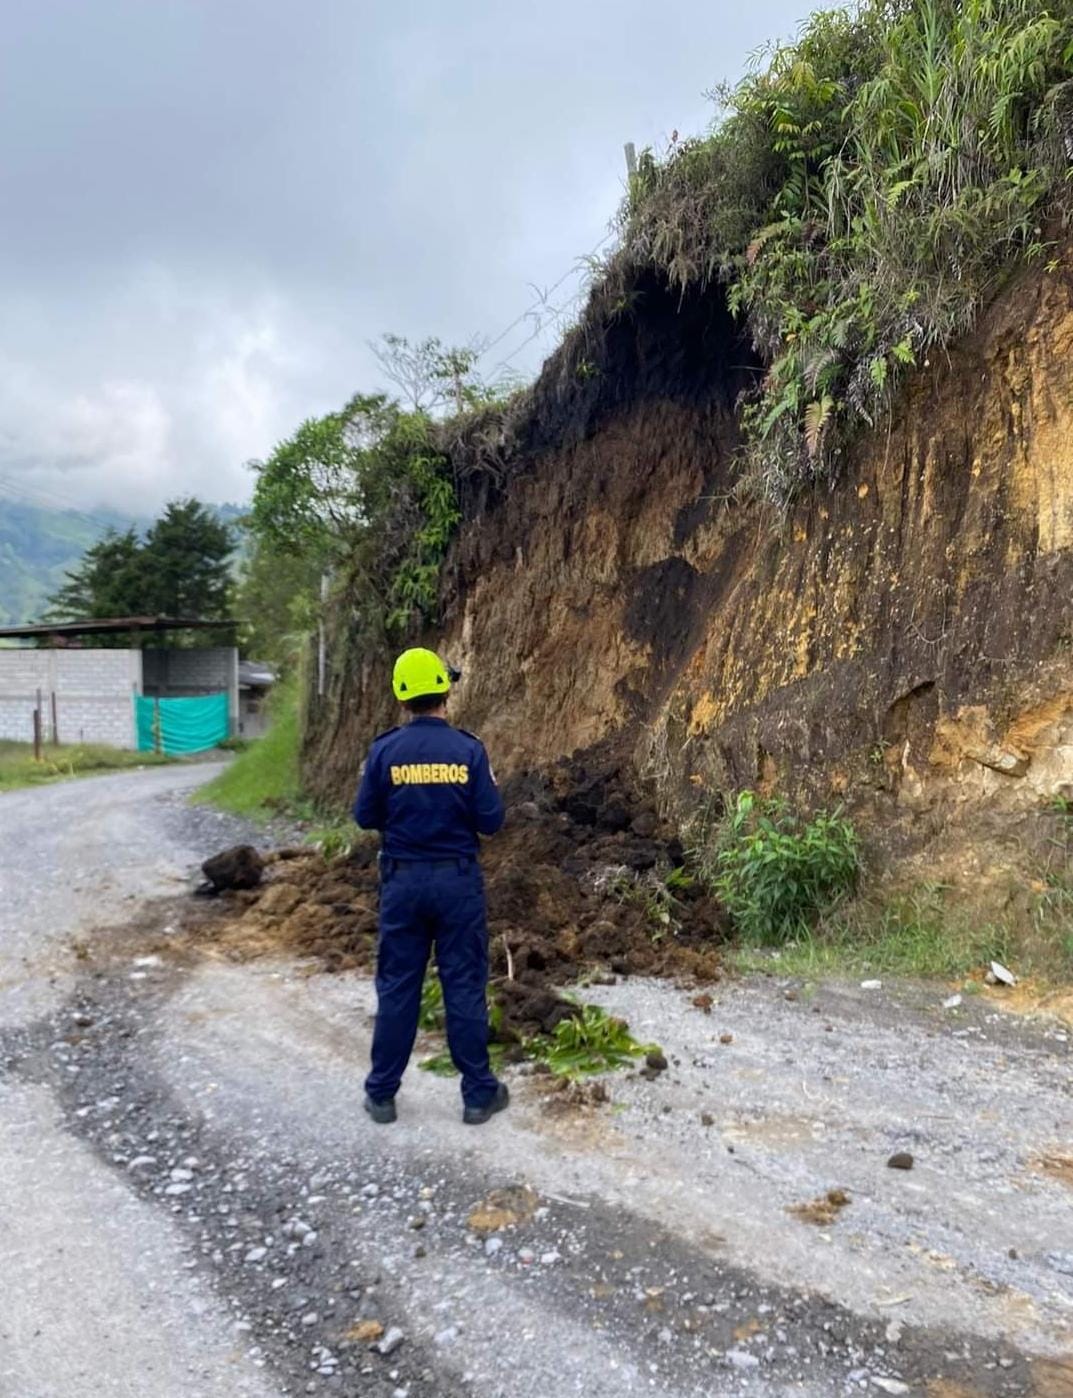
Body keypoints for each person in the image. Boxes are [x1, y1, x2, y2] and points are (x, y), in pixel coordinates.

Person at [353, 646, 508, 1126]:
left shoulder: (384, 751)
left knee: (398, 986)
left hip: (402, 882)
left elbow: (365, 816)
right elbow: (492, 821)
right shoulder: (467, 750)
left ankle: (381, 1095)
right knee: (463, 984)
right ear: (444, 691)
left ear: (403, 696)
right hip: (457, 883)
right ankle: (478, 1095)